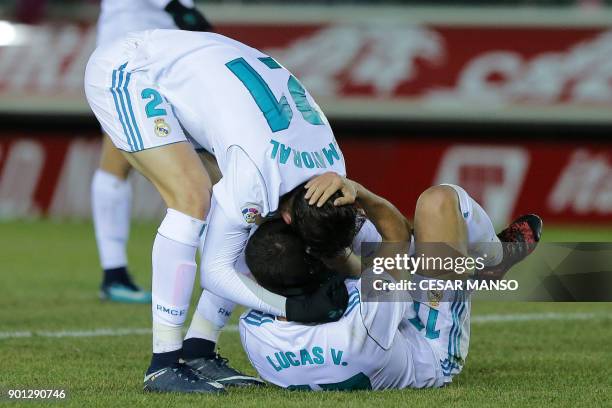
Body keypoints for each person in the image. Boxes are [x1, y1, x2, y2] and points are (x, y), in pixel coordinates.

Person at [84, 30, 368, 392]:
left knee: (240, 223)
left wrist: (362, 273)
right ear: (287, 219)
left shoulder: (337, 176)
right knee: (191, 199)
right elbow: (216, 273)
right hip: (131, 67)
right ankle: (163, 365)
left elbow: (356, 248)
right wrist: (287, 307)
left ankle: (200, 350)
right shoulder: (260, 177)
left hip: (198, 69)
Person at [240, 175, 542, 390]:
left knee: (381, 250)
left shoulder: (253, 334)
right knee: (439, 204)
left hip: (376, 332)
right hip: (427, 340)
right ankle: (492, 262)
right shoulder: (364, 319)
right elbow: (397, 234)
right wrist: (357, 192)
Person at [92, 0, 213, 303]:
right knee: (119, 157)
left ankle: (115, 272)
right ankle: (114, 272)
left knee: (197, 153)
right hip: (131, 45)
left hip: (160, 43)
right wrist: (176, 7)